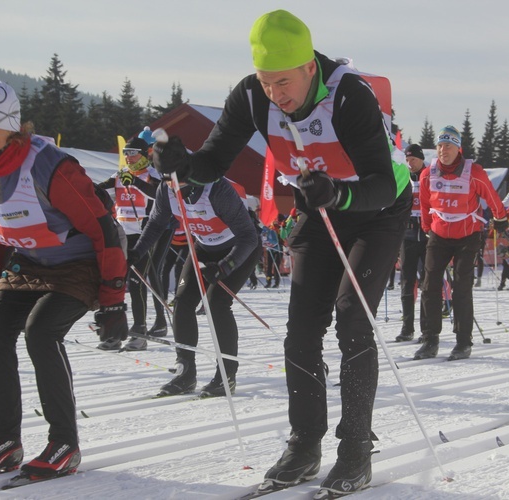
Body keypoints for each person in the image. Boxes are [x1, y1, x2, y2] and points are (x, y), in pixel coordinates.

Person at [150, 10, 411, 497]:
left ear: (309, 66)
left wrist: (340, 194)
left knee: (352, 315)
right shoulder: (251, 95)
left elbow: (378, 179)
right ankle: (304, 442)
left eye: (284, 82)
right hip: (321, 205)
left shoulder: (349, 95)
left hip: (377, 208)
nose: (276, 94)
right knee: (301, 329)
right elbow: (212, 160)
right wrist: (183, 166)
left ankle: (355, 447)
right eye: (268, 82)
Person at [0, 78, 128, 480]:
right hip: (28, 260)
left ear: (10, 125)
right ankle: (4, 441)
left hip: (80, 262)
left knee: (41, 332)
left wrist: (113, 298)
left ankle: (64, 444)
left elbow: (103, 228)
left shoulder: (48, 165)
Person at [129, 176, 261, 396]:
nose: (172, 185)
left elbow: (248, 237)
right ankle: (185, 373)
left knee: (216, 304)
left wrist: (225, 267)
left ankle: (225, 375)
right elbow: (155, 224)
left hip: (239, 248)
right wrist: (136, 253)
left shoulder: (216, 189)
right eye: (167, 178)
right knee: (182, 302)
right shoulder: (166, 188)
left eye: (177, 180)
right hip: (203, 247)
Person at [415, 126, 507, 361]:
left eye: (448, 145)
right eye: (440, 145)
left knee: (461, 286)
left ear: (458, 149)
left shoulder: (473, 171)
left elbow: (491, 197)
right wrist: (427, 228)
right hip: (439, 234)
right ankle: (430, 339)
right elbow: (425, 205)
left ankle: (463, 341)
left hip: (467, 235)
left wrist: (500, 219)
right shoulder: (428, 173)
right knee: (429, 284)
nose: (443, 150)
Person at [96, 136, 165, 350]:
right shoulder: (120, 174)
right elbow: (99, 190)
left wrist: (135, 182)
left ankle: (140, 333)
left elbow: (158, 194)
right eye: (126, 153)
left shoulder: (152, 174)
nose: (128, 156)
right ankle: (114, 332)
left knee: (137, 283)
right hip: (122, 235)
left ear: (145, 154)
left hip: (144, 236)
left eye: (133, 152)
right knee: (114, 282)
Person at [395, 144, 428, 342]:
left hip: (426, 235)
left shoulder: (431, 175)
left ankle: (427, 329)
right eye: (407, 160)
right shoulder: (403, 177)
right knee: (406, 282)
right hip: (407, 235)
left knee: (427, 283)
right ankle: (407, 328)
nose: (410, 163)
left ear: (421, 158)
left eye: (413, 159)